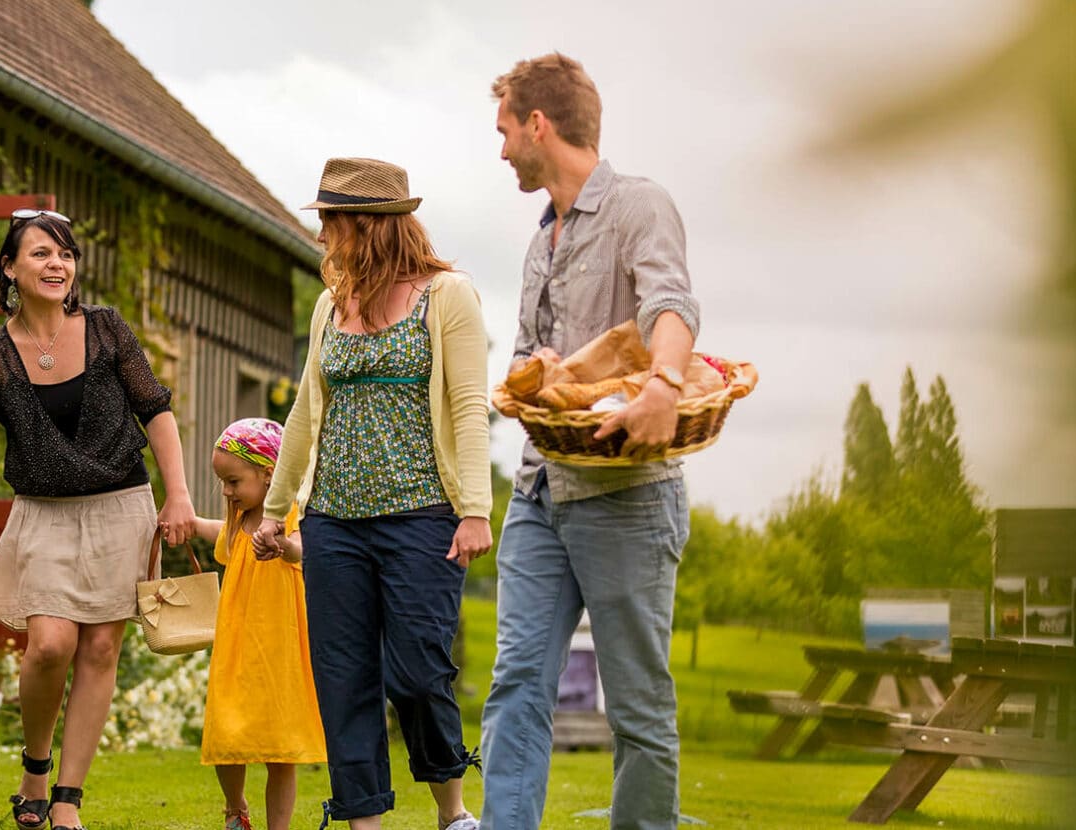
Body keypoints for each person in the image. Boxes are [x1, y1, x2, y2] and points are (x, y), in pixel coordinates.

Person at [0, 209, 198, 830]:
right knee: (50, 645)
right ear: (10, 268)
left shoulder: (107, 330)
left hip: (122, 507)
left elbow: (157, 413)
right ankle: (36, 765)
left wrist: (179, 496)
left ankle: (66, 800)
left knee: (99, 649)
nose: (56, 264)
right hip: (43, 516)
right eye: (40, 254)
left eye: (65, 254)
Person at [477, 53, 701, 830]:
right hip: (540, 495)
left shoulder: (640, 206)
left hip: (627, 498)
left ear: (539, 124)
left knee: (637, 704)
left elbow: (671, 307)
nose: (501, 148)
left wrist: (664, 387)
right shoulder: (541, 242)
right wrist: (533, 374)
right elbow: (520, 359)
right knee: (516, 684)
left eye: (505, 130)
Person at [257, 157, 493, 830]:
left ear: (367, 225)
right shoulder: (331, 305)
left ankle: (451, 809)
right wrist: (279, 511)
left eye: (330, 223)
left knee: (418, 674)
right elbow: (306, 408)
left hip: (423, 517)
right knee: (343, 678)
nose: (324, 237)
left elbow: (471, 405)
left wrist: (475, 510)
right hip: (334, 521)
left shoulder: (447, 295)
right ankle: (363, 821)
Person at [192, 417, 325, 830]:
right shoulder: (237, 521)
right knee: (227, 737)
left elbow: (306, 551)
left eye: (234, 482)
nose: (228, 493)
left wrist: (283, 547)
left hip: (278, 649)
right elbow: (222, 537)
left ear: (269, 474)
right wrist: (191, 524)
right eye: (224, 484)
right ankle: (236, 808)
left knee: (279, 748)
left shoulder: (289, 515)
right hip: (237, 647)